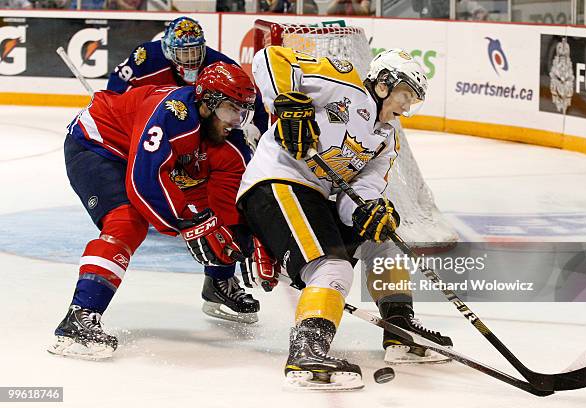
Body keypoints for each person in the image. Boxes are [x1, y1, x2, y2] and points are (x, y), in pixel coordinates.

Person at [237, 47, 452, 390]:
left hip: (317, 198)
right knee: (332, 267)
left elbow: (358, 197)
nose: (408, 106)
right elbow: (270, 57)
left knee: (384, 241)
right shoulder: (343, 83)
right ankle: (307, 351)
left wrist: (373, 212)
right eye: (405, 94)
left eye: (414, 99)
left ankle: (399, 329)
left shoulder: (387, 140)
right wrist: (287, 100)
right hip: (275, 182)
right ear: (384, 84)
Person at [48, 62, 258, 360]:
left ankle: (219, 282)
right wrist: (186, 225)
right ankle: (80, 317)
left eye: (242, 112)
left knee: (215, 216)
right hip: (100, 145)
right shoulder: (172, 115)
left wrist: (247, 239)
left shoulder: (230, 139)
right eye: (230, 110)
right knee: (127, 221)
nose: (236, 120)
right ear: (207, 103)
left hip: (143, 151)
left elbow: (227, 203)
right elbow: (144, 183)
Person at [107, 16, 269, 323]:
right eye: (183, 53)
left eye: (196, 51)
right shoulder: (147, 57)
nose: (191, 60)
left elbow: (251, 99)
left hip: (206, 133)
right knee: (148, 189)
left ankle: (221, 279)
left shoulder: (219, 64)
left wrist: (256, 131)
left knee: (225, 197)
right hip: (156, 132)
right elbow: (117, 89)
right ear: (168, 49)